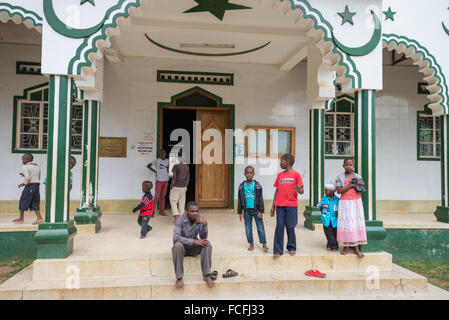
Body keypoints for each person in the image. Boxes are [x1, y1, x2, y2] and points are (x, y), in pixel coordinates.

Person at [172, 201, 214, 289]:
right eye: (192, 211)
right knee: (177, 245)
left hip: (193, 249)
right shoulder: (180, 220)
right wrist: (194, 241)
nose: (195, 213)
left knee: (207, 244)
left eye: (197, 211)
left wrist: (205, 225)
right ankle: (179, 277)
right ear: (186, 211)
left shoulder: (200, 218)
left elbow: (203, 237)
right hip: (182, 249)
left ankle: (207, 275)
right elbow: (176, 238)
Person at [270, 154, 304, 259]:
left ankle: (291, 247)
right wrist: (273, 206)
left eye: (281, 161)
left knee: (290, 226)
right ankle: (277, 250)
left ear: (287, 162)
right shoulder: (280, 175)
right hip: (280, 205)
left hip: (291, 205)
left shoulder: (296, 175)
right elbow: (277, 190)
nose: (280, 163)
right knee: (279, 226)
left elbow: (302, 191)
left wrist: (298, 188)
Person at [335, 158, 367, 258]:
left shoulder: (358, 176)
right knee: (347, 224)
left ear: (353, 166)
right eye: (346, 165)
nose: (348, 166)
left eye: (350, 165)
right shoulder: (339, 177)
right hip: (345, 202)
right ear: (343, 166)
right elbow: (339, 191)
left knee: (356, 224)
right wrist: (352, 185)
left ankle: (356, 249)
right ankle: (346, 247)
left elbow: (361, 190)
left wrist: (362, 185)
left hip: (356, 202)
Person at [237, 166, 268, 253]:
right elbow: (239, 200)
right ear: (244, 174)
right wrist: (240, 212)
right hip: (246, 211)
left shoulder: (257, 185)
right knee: (248, 228)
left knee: (260, 228)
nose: (249, 174)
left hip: (256, 210)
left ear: (253, 174)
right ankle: (251, 243)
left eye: (251, 173)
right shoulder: (241, 186)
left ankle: (264, 243)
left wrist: (261, 211)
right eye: (247, 173)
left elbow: (261, 199)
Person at [14, 153, 43, 225]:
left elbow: (28, 178)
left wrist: (23, 183)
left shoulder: (25, 167)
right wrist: (25, 175)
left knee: (23, 200)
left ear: (27, 159)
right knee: (35, 201)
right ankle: (39, 218)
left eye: (23, 159)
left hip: (30, 186)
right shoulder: (37, 166)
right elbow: (36, 176)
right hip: (36, 186)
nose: (22, 161)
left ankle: (21, 218)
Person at [317, 182, 339, 252]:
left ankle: (329, 245)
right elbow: (319, 206)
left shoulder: (338, 200)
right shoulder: (324, 199)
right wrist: (323, 214)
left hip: (335, 220)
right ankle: (335, 246)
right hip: (326, 220)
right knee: (328, 234)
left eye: (327, 190)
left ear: (332, 191)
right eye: (325, 190)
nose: (325, 191)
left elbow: (340, 208)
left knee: (334, 233)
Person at [147, 149, 169, 216]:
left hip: (166, 180)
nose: (163, 154)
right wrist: (155, 171)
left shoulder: (167, 161)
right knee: (156, 197)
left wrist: (167, 173)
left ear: (166, 154)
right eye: (161, 153)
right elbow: (148, 165)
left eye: (164, 153)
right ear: (160, 154)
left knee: (163, 196)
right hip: (159, 180)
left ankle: (161, 211)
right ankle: (152, 211)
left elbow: (167, 168)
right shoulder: (157, 160)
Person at [169, 156, 190, 223]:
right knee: (182, 202)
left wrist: (171, 186)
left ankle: (176, 215)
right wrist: (185, 186)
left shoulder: (176, 166)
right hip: (183, 187)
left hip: (176, 186)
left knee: (173, 200)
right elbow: (187, 178)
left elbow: (174, 178)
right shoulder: (187, 166)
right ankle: (181, 218)